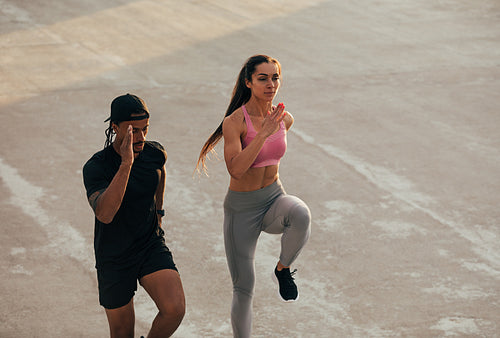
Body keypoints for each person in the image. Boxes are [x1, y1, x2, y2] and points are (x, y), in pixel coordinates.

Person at [197, 55, 311, 337]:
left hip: (273, 199)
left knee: (300, 213)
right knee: (244, 286)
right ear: (248, 82)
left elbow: (275, 149)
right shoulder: (234, 122)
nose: (271, 84)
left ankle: (283, 269)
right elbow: (235, 170)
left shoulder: (284, 118)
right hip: (242, 210)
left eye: (275, 77)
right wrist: (262, 135)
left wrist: (272, 129)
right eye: (263, 78)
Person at [83, 94, 185, 338]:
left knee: (175, 310)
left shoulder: (154, 154)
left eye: (145, 129)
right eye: (134, 131)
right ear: (115, 128)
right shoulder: (96, 167)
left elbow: (160, 173)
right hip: (114, 255)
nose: (141, 138)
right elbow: (105, 214)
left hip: (148, 243)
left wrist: (159, 211)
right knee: (122, 333)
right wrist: (126, 164)